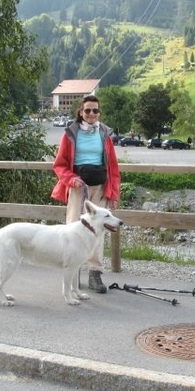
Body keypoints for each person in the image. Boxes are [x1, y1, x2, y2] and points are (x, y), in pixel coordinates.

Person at [51, 95, 121, 293]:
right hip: (77, 186)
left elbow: (114, 168)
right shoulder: (70, 134)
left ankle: (95, 273)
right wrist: (70, 179)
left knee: (98, 229)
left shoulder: (104, 135)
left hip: (99, 186)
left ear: (99, 113)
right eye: (87, 110)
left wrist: (113, 193)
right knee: (73, 228)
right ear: (81, 112)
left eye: (95, 110)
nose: (91, 114)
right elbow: (60, 165)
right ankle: (73, 273)